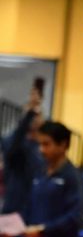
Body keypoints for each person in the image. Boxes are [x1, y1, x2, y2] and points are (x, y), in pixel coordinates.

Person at [0, 88, 45, 216]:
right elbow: (12, 149)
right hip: (14, 206)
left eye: (38, 115)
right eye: (31, 115)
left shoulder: (45, 147)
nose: (34, 119)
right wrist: (29, 113)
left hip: (36, 206)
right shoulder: (11, 140)